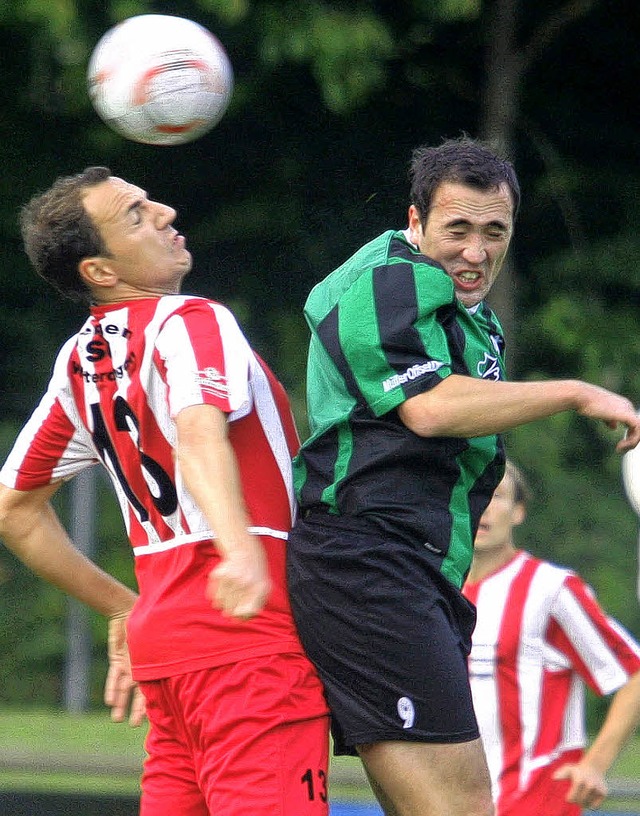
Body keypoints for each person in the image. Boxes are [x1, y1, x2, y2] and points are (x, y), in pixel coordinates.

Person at [285, 135, 640, 816]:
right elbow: (428, 407)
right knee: (468, 807)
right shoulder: (395, 277)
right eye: (457, 229)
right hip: (370, 567)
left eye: (494, 231)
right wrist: (574, 392)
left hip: (410, 573)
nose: (476, 252)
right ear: (415, 223)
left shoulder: (468, 322)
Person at [0, 167, 329, 816]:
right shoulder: (192, 320)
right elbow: (199, 430)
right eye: (135, 214)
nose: (165, 212)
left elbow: (13, 509)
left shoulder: (79, 360)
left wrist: (125, 608)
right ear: (99, 271)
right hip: (247, 641)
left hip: (166, 647)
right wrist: (238, 553)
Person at [463, 460, 640, 815]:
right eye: (475, 493)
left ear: (519, 512)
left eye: (497, 496)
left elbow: (633, 673)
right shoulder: (436, 593)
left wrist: (595, 764)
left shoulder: (550, 589)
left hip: (535, 802)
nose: (483, 506)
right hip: (458, 803)